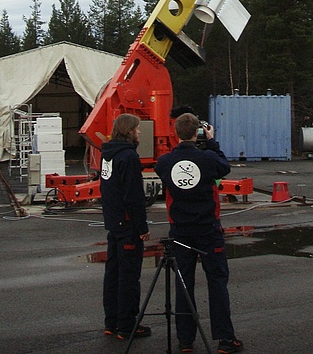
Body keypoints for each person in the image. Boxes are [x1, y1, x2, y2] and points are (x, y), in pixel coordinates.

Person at [155, 112, 243, 354]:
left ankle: (185, 339)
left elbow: (162, 171)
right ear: (197, 133)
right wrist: (212, 142)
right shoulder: (207, 159)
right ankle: (225, 339)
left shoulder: (165, 162)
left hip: (180, 229)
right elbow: (224, 167)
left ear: (175, 134)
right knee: (216, 281)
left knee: (184, 283)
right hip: (207, 228)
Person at [100, 113, 151, 341]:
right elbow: (133, 196)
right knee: (129, 277)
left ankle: (111, 322)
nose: (139, 132)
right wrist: (142, 227)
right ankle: (127, 325)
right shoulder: (129, 157)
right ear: (129, 130)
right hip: (128, 225)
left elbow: (107, 189)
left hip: (114, 223)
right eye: (137, 129)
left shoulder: (108, 155)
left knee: (113, 274)